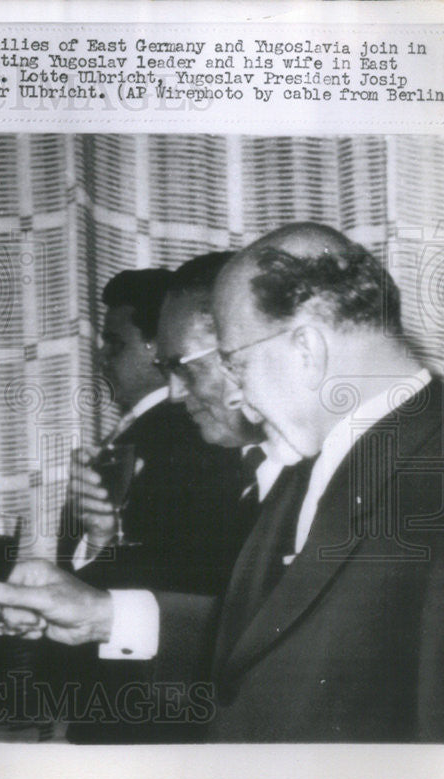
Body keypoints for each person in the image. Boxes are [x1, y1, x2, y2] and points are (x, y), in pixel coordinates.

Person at [0, 223, 444, 742]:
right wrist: (104, 615)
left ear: (306, 348)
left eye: (235, 363)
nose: (235, 397)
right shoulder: (313, 460)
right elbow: (262, 647)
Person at [50, 256, 275, 743]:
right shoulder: (229, 449)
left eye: (115, 343)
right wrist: (103, 537)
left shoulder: (193, 437)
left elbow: (198, 585)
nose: (176, 392)